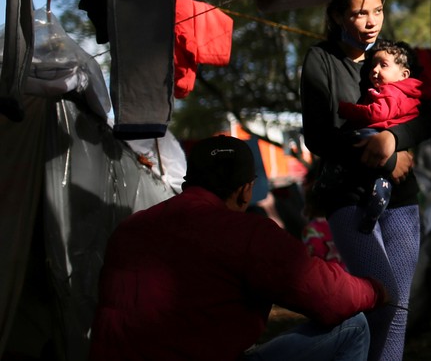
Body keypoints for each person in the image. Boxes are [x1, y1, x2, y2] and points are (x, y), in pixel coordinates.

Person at [89, 135, 385, 361]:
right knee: (354, 325)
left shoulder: (131, 228)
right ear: (246, 190)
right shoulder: (245, 232)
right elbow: (328, 295)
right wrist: (375, 291)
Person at [300, 0, 431, 361]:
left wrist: (396, 139)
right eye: (360, 13)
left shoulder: (398, 54)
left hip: (402, 201)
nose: (372, 20)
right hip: (350, 198)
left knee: (399, 308)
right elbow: (318, 137)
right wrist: (384, 153)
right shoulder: (321, 60)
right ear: (340, 15)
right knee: (384, 297)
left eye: (377, 10)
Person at [337, 39, 426, 234]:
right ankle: (373, 211)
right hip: (388, 138)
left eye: (383, 65)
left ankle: (371, 213)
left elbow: (377, 114)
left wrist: (348, 110)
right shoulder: (395, 90)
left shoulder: (393, 92)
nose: (375, 70)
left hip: (380, 132)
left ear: (404, 75)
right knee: (381, 181)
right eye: (373, 65)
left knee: (352, 138)